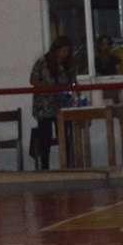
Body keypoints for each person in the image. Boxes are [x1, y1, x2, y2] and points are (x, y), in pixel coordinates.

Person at [30, 36, 76, 170]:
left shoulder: (69, 64)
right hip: (44, 105)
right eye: (63, 51)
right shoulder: (43, 62)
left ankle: (66, 165)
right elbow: (32, 80)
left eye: (67, 51)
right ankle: (45, 168)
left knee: (64, 136)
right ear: (56, 50)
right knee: (46, 138)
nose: (65, 54)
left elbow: (73, 81)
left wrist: (73, 92)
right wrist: (46, 87)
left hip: (62, 104)